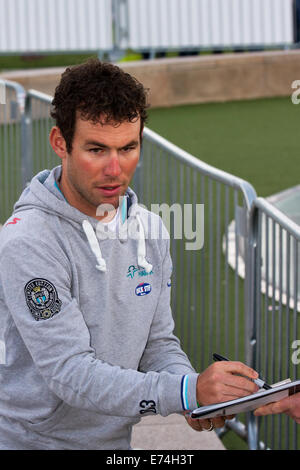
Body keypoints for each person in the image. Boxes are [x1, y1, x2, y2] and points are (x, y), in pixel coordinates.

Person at [0, 59, 259, 450]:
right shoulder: (28, 241)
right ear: (59, 143)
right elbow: (70, 373)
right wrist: (186, 391)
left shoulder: (150, 228)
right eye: (96, 149)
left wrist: (195, 400)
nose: (115, 168)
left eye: (128, 147)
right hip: (31, 442)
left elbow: (157, 341)